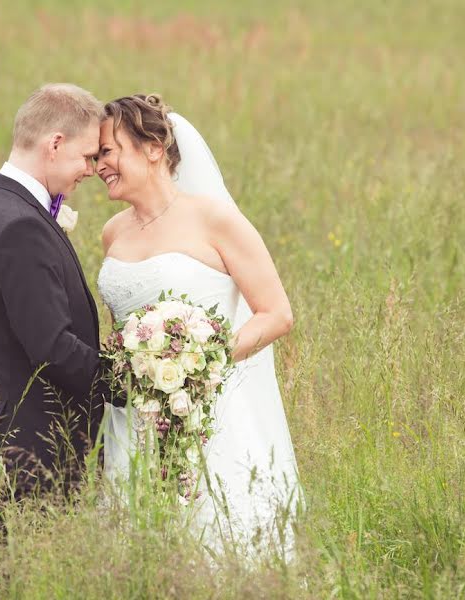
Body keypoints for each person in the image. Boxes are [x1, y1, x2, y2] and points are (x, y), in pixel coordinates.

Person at [96, 94, 303, 559]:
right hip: (135, 415)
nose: (99, 165)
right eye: (95, 156)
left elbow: (276, 313)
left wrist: (200, 361)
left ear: (152, 147)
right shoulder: (113, 232)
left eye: (109, 151)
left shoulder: (216, 220)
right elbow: (121, 331)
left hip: (209, 409)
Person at [0, 83, 114, 503]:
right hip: (26, 451)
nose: (92, 169)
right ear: (55, 144)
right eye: (87, 156)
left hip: (1, 435)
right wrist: (130, 382)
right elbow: (52, 348)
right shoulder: (20, 226)